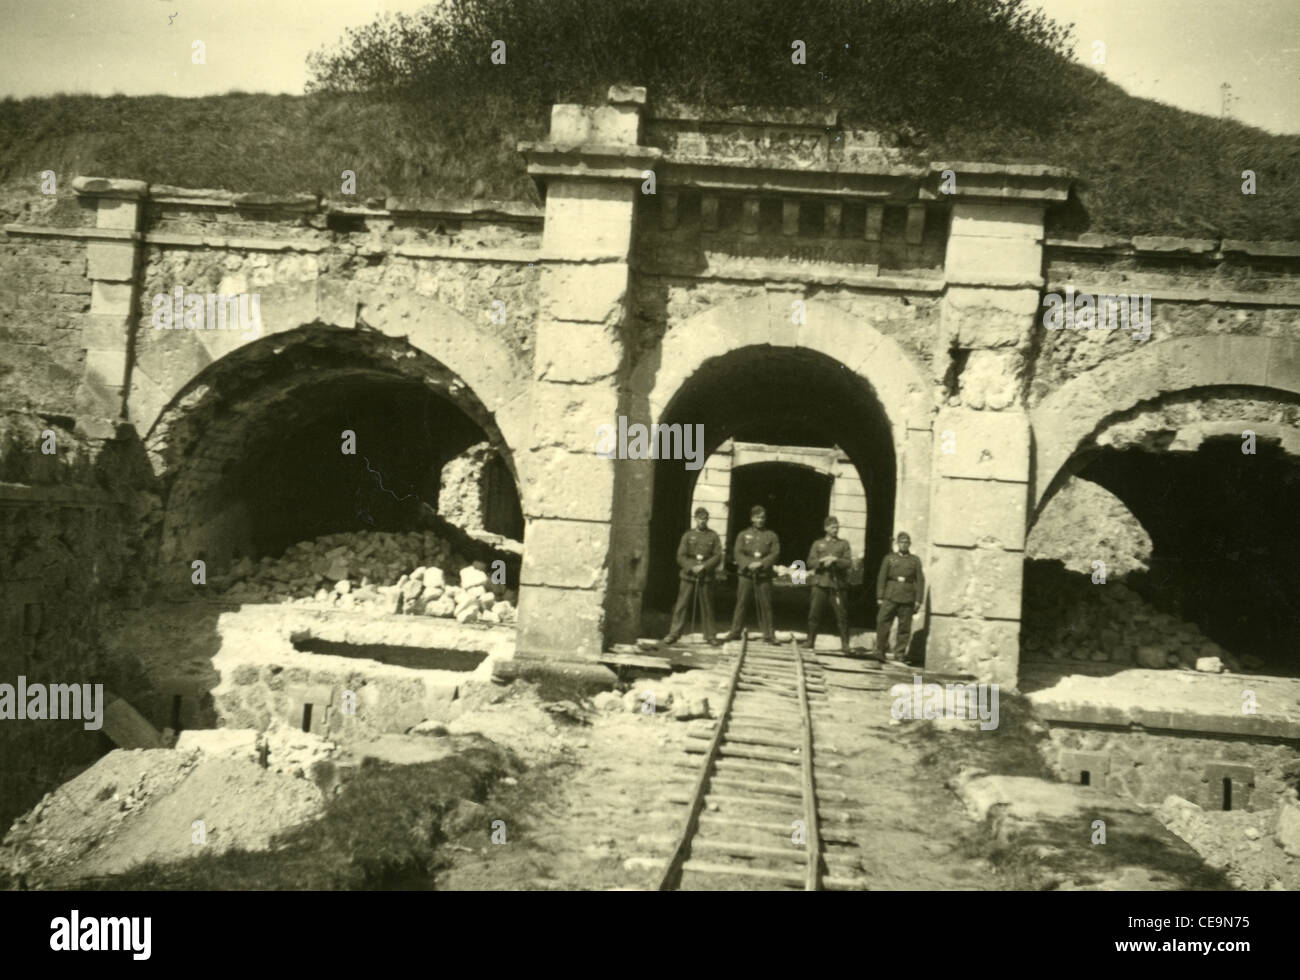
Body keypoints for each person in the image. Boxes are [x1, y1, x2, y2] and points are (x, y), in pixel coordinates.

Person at [662, 507, 723, 646]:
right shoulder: (687, 536)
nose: (702, 521)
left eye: (705, 518)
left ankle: (710, 635)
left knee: (707, 606)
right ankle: (674, 633)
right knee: (681, 605)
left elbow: (718, 555)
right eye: (700, 518)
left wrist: (704, 566)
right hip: (688, 576)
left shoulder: (713, 536)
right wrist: (691, 567)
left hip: (705, 576)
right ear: (695, 519)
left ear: (708, 520)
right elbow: (680, 556)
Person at [723, 505, 779, 644]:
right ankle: (735, 631)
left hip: (763, 575)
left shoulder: (771, 535)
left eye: (762, 517)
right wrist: (748, 564)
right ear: (752, 518)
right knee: (741, 603)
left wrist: (761, 564)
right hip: (746, 574)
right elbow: (738, 552)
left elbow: (775, 553)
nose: (760, 520)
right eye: (757, 517)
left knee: (766, 604)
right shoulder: (743, 534)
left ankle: (769, 634)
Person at [876, 532, 925, 663]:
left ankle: (900, 653)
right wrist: (880, 596)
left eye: (906, 542)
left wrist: (919, 600)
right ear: (897, 544)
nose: (904, 545)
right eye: (902, 542)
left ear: (909, 544)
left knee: (904, 627)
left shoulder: (915, 560)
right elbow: (882, 578)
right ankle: (880, 650)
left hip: (907, 597)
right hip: (890, 595)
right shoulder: (889, 558)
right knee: (883, 622)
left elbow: (920, 581)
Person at [807, 515, 853, 654]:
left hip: (837, 585)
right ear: (826, 528)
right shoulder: (817, 544)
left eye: (837, 527)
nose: (835, 529)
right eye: (833, 527)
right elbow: (810, 562)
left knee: (841, 615)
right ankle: (810, 641)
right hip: (820, 583)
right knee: (814, 613)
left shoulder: (843, 544)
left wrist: (835, 560)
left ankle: (845, 644)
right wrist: (822, 561)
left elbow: (848, 562)